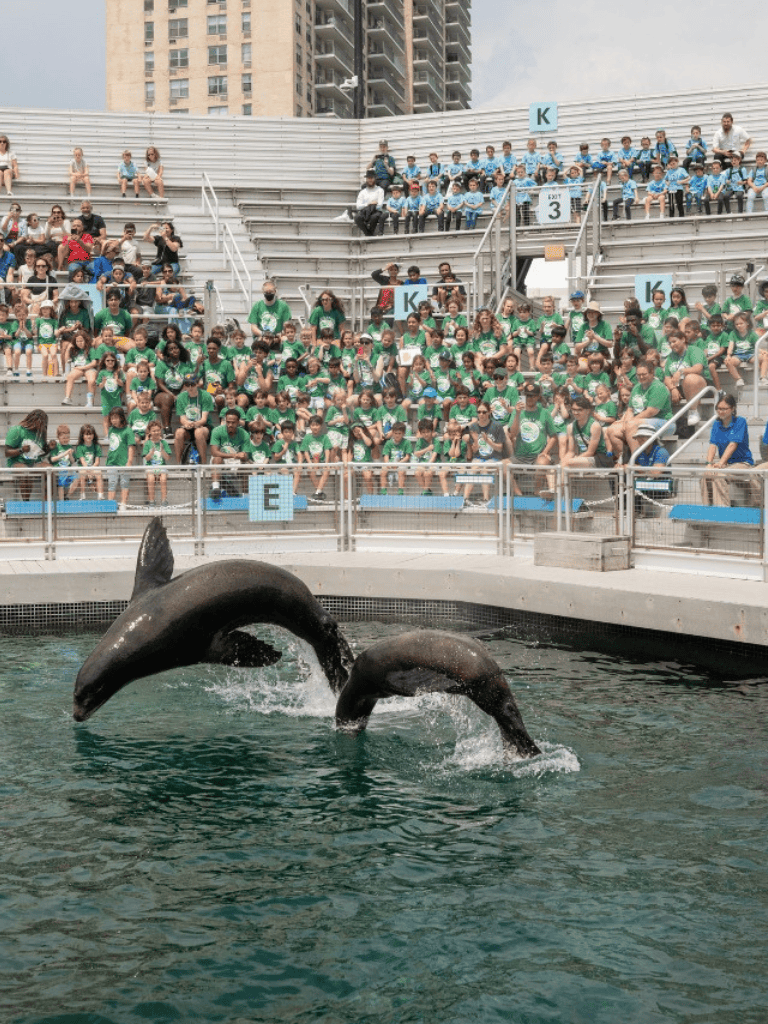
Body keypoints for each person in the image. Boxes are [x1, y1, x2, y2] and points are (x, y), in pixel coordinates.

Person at [607, 359, 672, 460]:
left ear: (652, 373)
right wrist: (626, 422)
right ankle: (624, 457)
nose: (641, 377)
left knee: (632, 425)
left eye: (644, 374)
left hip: (664, 422)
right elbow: (630, 409)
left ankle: (636, 461)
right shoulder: (637, 387)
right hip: (640, 420)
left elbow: (651, 411)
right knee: (612, 430)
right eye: (638, 374)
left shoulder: (658, 387)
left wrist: (631, 422)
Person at [701, 394, 758, 507]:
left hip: (742, 463)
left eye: (724, 409)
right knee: (706, 475)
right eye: (718, 408)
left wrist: (721, 463)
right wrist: (708, 464)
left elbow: (733, 445)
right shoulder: (716, 424)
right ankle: (707, 509)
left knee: (718, 475)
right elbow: (713, 445)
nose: (721, 411)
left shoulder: (740, 422)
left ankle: (722, 510)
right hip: (727, 464)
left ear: (732, 409)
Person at [4, 409, 52, 500]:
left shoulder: (40, 433)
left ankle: (47, 502)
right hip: (17, 462)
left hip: (34, 463)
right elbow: (7, 453)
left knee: (51, 470)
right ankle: (26, 502)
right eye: (41, 423)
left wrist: (49, 448)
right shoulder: (17, 430)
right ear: (34, 420)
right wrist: (22, 450)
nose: (43, 426)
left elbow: (41, 454)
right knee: (25, 472)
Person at [354, 170, 384, 236]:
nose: (370, 180)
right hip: (365, 211)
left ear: (375, 178)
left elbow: (379, 205)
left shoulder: (380, 190)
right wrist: (368, 204)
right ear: (366, 179)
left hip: (375, 211)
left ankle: (369, 234)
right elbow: (358, 206)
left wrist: (373, 206)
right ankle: (368, 234)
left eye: (371, 178)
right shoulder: (362, 192)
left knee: (374, 217)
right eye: (368, 178)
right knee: (357, 217)